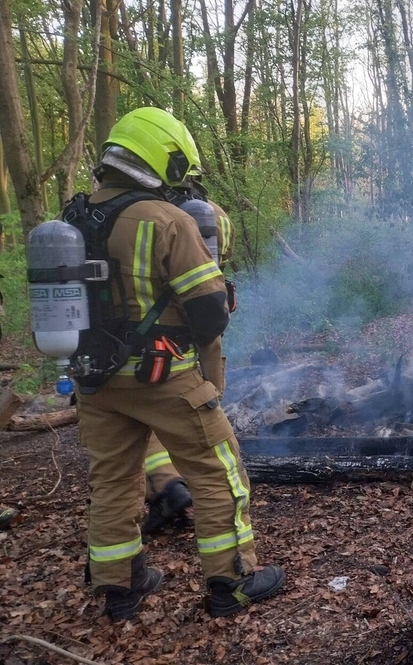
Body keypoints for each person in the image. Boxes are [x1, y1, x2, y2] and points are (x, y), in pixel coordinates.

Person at [76, 106, 283, 620]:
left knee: (113, 481)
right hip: (163, 377)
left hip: (95, 382)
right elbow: (209, 313)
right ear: (161, 159)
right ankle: (231, 584)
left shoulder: (71, 217)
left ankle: (120, 587)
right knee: (220, 474)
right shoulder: (168, 220)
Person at [142, 179, 236, 536]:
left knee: (150, 412)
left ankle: (167, 484)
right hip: (205, 318)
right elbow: (220, 261)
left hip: (154, 336)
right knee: (204, 403)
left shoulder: (143, 215)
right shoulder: (215, 214)